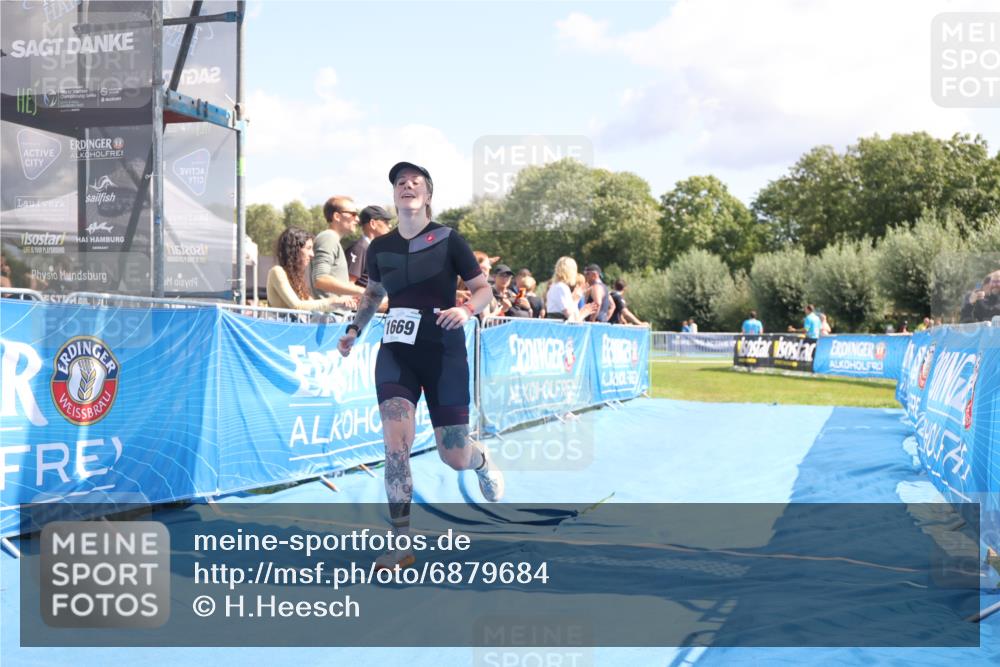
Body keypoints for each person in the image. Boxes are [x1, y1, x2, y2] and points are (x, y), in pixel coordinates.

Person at [337, 161, 504, 570]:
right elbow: (374, 293)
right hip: (396, 351)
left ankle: (480, 460)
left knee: (455, 456)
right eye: (400, 183)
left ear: (427, 195)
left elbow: (483, 290)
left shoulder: (449, 240)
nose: (407, 187)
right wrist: (355, 329)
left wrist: (466, 311)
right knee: (395, 445)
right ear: (395, 197)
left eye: (415, 183)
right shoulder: (380, 248)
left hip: (444, 352)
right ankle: (401, 544)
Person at [266, 227, 356, 312]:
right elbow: (297, 306)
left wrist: (343, 303)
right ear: (295, 250)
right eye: (308, 248)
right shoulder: (277, 271)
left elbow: (311, 304)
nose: (312, 254)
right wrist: (334, 301)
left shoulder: (296, 278)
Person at [312, 195, 366, 303]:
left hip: (333, 315)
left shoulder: (332, 240)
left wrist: (348, 295)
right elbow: (320, 279)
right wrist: (363, 291)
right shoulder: (328, 238)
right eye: (353, 214)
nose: (357, 219)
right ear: (337, 216)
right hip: (328, 317)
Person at [347, 205, 393, 287]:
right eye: (386, 222)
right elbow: (348, 284)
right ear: (372, 223)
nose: (389, 226)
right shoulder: (360, 248)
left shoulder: (370, 248)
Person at [545, 256, 597, 321]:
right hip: (561, 329)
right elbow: (572, 319)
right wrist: (583, 312)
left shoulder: (554, 286)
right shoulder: (562, 287)